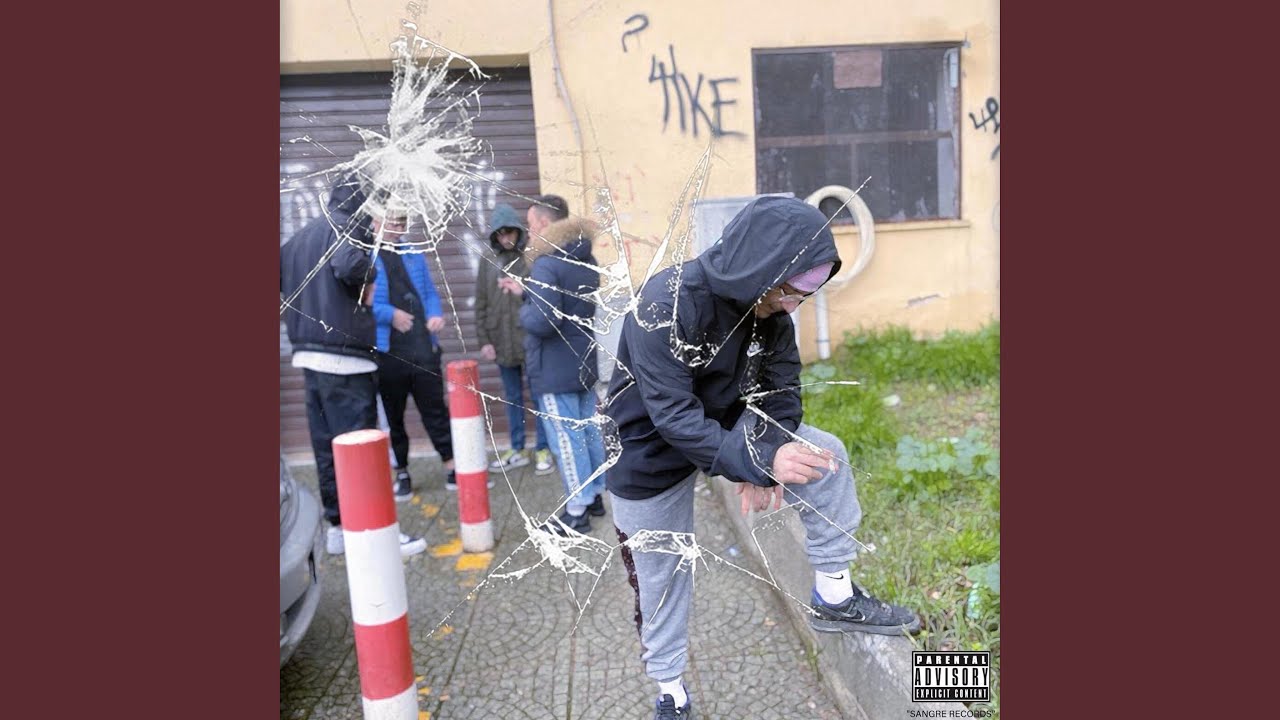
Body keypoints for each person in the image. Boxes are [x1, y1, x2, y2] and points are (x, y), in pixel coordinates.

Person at [603, 196, 919, 718]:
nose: (794, 306)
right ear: (759, 267)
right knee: (660, 572)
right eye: (791, 291)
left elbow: (782, 391)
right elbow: (673, 416)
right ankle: (670, 691)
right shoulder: (665, 303)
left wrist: (765, 452)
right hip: (647, 447)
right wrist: (755, 462)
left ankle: (834, 596)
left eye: (806, 295)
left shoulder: (770, 311)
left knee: (826, 456)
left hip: (727, 422)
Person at [280, 174, 427, 558]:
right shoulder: (349, 227)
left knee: (327, 448)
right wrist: (370, 276)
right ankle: (377, 535)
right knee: (362, 450)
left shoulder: (301, 236)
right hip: (346, 358)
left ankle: (338, 529)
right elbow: (349, 265)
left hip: (308, 356)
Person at [517, 216, 610, 533]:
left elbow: (543, 320)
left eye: (532, 222)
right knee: (588, 433)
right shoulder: (586, 261)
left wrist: (523, 307)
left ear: (546, 223)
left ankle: (576, 511)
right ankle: (595, 497)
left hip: (554, 367)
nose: (529, 230)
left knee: (567, 442)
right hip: (583, 362)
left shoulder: (546, 264)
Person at [370, 207, 456, 497]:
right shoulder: (364, 255)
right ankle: (402, 472)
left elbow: (429, 293)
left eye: (401, 223)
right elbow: (361, 302)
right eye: (393, 223)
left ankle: (452, 466)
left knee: (435, 410)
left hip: (422, 349)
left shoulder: (412, 252)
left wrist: (435, 315)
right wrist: (390, 314)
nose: (398, 229)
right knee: (392, 418)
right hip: (388, 353)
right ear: (376, 221)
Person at [474, 203, 553, 475]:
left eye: (510, 232)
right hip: (501, 341)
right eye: (500, 233)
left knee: (540, 396)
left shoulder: (532, 257)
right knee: (512, 397)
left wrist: (522, 287)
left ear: (518, 231)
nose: (506, 237)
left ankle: (543, 448)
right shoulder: (487, 261)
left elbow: (543, 296)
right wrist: (484, 340)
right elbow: (481, 303)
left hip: (530, 340)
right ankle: (517, 448)